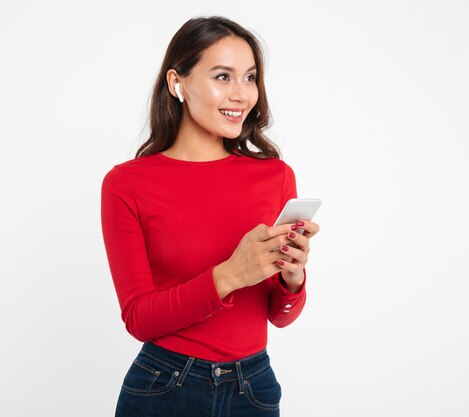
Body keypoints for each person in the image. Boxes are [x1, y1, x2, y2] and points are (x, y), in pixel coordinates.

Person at [100, 15, 320, 417]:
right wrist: (232, 274)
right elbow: (139, 319)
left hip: (253, 387)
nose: (242, 94)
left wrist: (292, 277)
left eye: (250, 77)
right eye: (223, 77)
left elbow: (280, 316)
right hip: (165, 386)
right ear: (176, 83)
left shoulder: (275, 176)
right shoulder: (127, 183)